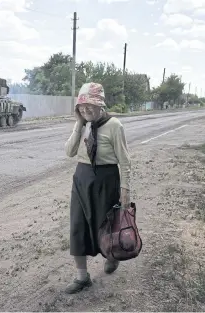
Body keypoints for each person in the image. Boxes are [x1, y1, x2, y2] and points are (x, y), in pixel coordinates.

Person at [64, 82, 131, 294]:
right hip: (82, 178)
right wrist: (78, 125)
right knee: (78, 225)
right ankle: (82, 276)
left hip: (106, 178)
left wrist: (125, 189)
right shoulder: (82, 124)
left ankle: (112, 255)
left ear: (101, 105)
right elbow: (69, 152)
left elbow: (125, 161)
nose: (85, 110)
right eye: (81, 107)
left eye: (89, 106)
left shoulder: (114, 125)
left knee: (107, 226)